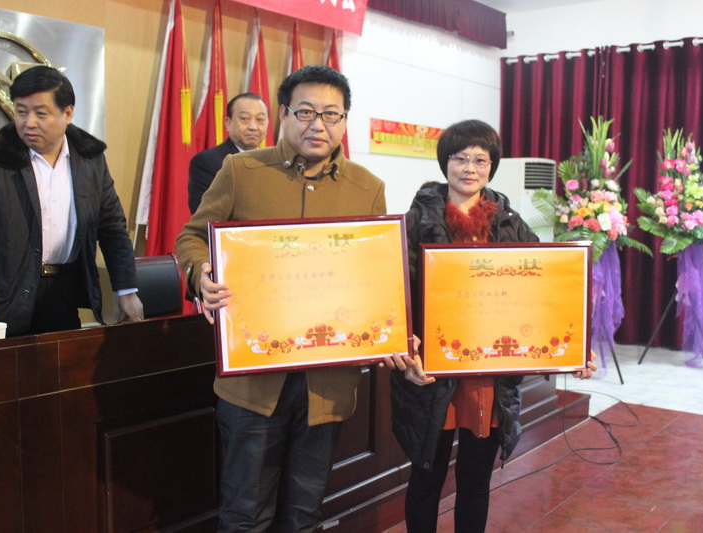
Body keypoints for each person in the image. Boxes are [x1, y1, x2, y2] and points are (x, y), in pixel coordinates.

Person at [176, 65, 386, 532]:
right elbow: (191, 236)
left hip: (327, 382)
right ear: (284, 114)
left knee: (303, 514)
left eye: (331, 114)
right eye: (306, 112)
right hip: (253, 380)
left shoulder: (367, 188)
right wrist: (200, 273)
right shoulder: (242, 171)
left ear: (345, 121)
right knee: (245, 514)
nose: (318, 125)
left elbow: (376, 271)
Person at [387, 120, 596, 533]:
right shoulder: (414, 221)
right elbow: (397, 292)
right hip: (432, 372)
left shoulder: (511, 224)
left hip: (489, 374)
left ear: (492, 166)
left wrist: (576, 346)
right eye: (460, 158)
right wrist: (406, 348)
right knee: (426, 477)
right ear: (445, 163)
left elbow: (546, 288)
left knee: (475, 479)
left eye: (480, 160)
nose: (470, 168)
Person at [0, 65, 143, 341]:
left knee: (65, 366)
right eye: (21, 111)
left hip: (64, 294)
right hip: (6, 298)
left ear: (68, 114)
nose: (29, 122)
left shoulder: (90, 162)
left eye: (41, 113)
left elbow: (112, 228)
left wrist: (126, 290)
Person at [187, 92, 269, 213]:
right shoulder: (206, 162)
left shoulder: (273, 162)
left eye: (260, 120)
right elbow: (204, 213)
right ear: (228, 123)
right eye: (244, 119)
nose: (253, 127)